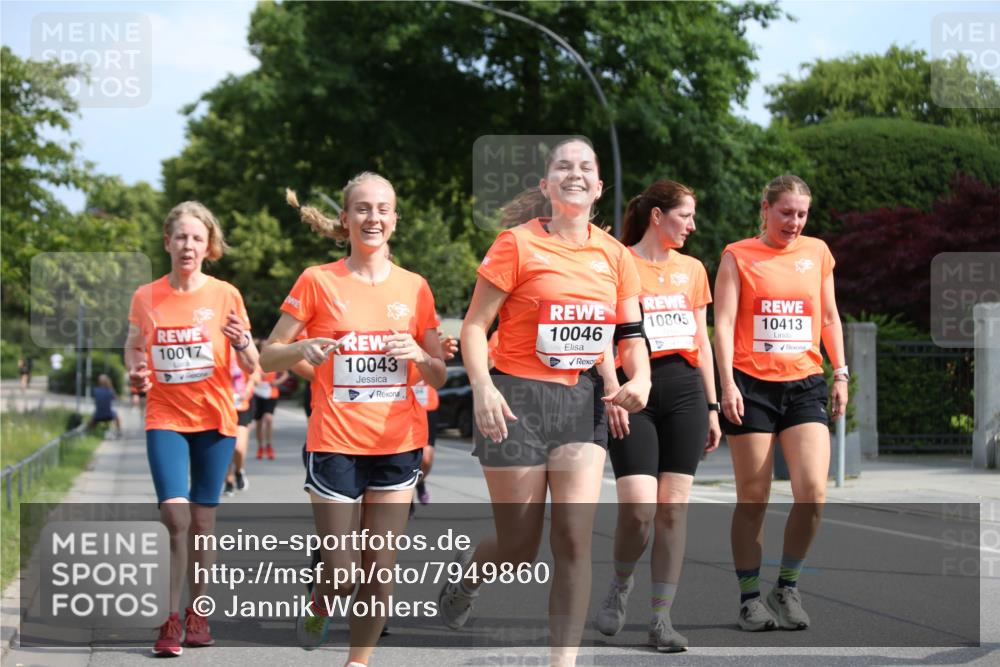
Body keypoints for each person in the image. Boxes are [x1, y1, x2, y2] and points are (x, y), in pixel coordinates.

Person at [439, 138, 650, 667]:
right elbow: (473, 328)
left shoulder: (616, 256)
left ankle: (564, 662)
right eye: (563, 166)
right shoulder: (516, 245)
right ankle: (467, 578)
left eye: (586, 167)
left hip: (581, 399)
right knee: (518, 546)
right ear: (546, 184)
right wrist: (483, 387)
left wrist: (639, 376)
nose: (574, 173)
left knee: (574, 538)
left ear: (599, 186)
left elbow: (629, 335)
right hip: (516, 399)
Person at [261, 174, 445, 667]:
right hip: (336, 442)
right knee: (342, 573)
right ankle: (322, 598)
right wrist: (300, 347)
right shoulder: (317, 280)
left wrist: (420, 356)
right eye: (362, 209)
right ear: (345, 219)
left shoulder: (414, 286)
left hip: (398, 440)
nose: (373, 218)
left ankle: (357, 662)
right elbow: (267, 356)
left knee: (379, 571)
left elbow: (440, 374)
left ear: (395, 220)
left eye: (383, 209)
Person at [713, 175, 847, 632]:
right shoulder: (738, 254)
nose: (794, 222)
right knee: (753, 498)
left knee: (813, 493)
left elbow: (828, 317)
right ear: (765, 208)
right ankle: (750, 599)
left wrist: (841, 372)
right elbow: (724, 324)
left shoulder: (817, 253)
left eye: (802, 214)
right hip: (751, 386)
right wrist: (726, 384)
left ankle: (786, 586)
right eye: (786, 212)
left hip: (805, 383)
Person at [125, 201, 258, 656]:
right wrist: (137, 369)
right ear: (167, 242)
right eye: (180, 237)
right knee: (174, 518)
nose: (188, 245)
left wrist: (244, 345)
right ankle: (168, 618)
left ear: (209, 246)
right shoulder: (146, 296)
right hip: (164, 417)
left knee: (202, 522)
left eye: (197, 238)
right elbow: (133, 347)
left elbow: (252, 362)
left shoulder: (225, 294)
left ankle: (198, 611)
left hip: (215, 419)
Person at [592, 180, 721, 652]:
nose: (692, 225)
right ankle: (620, 585)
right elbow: (603, 333)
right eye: (685, 216)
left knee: (673, 510)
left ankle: (661, 620)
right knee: (639, 511)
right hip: (634, 393)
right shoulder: (620, 261)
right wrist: (612, 387)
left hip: (686, 389)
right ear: (657, 216)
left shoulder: (693, 270)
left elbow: (702, 342)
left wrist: (712, 405)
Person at [224, 356, 259, 495]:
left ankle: (239, 471)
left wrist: (246, 390)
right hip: (222, 406)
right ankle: (229, 480)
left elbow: (256, 373)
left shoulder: (242, 345)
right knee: (226, 445)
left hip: (242, 405)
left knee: (238, 447)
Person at [253, 365, 288, 459]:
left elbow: (285, 374)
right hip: (257, 392)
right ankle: (260, 446)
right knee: (259, 422)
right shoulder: (256, 359)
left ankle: (269, 445)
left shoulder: (272, 358)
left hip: (271, 393)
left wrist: (277, 382)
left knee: (268, 418)